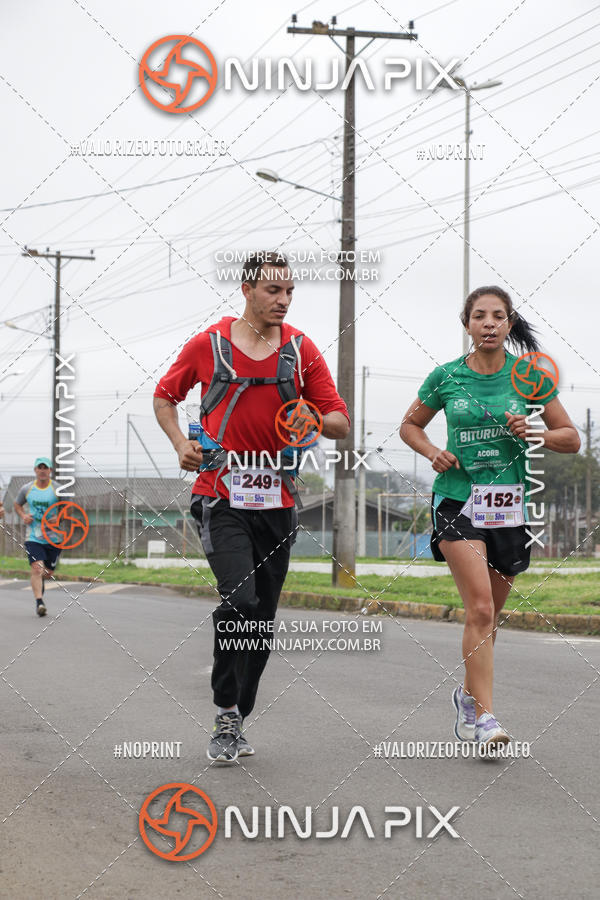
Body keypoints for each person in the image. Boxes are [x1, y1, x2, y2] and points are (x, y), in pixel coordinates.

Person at [154, 251, 350, 763]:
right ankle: (223, 707)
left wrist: (306, 411)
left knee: (261, 618)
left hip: (278, 499)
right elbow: (163, 396)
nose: (283, 300)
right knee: (239, 603)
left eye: (289, 292)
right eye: (272, 291)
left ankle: (237, 716)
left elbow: (339, 422)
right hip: (220, 496)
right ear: (246, 289)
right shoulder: (209, 345)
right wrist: (180, 443)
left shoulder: (301, 352)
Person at [400, 286, 580, 748]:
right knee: (479, 607)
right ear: (467, 324)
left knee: (491, 617)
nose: (489, 323)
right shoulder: (447, 376)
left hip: (506, 505)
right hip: (458, 500)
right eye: (480, 316)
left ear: (509, 324)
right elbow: (409, 425)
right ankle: (485, 719)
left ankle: (466, 696)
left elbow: (570, 438)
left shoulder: (528, 377)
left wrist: (535, 430)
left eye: (498, 316)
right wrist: (432, 452)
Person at [13, 457, 61, 617]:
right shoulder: (27, 489)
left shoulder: (57, 489)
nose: (42, 471)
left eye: (45, 468)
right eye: (39, 468)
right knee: (37, 568)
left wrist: (60, 517)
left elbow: (69, 508)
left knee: (47, 573)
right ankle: (39, 602)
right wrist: (23, 515)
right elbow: (17, 504)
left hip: (54, 538)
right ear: (35, 470)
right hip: (33, 536)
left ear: (50, 471)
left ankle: (41, 583)